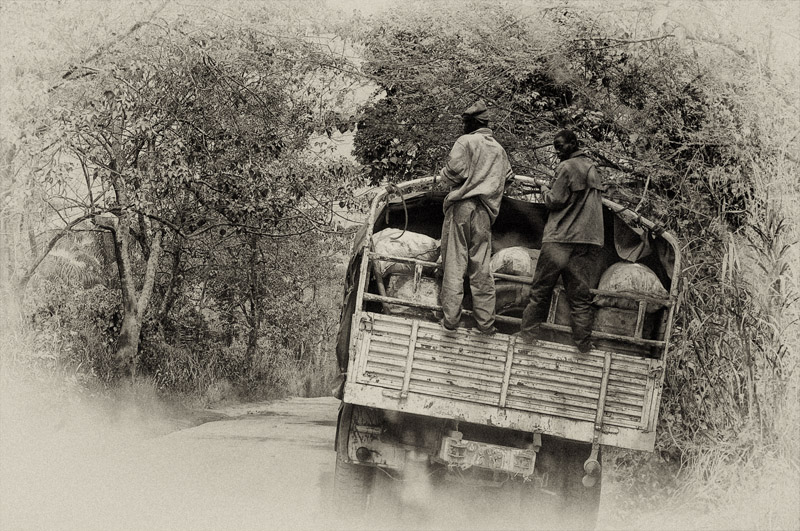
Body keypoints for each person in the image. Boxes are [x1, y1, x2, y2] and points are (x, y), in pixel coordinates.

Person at [519, 130, 605, 353]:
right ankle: (583, 344)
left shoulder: (566, 167)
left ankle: (527, 336)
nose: (557, 152)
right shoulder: (593, 169)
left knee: (540, 290)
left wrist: (543, 189)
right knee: (580, 296)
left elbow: (554, 200)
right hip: (586, 242)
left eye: (560, 146)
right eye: (555, 147)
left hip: (560, 240)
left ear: (574, 143)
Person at [437, 100, 513, 335]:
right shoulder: (499, 150)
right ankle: (486, 324)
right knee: (481, 269)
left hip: (462, 208)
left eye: (465, 122)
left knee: (454, 264)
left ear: (471, 123)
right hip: (485, 214)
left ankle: (451, 320)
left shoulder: (466, 142)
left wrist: (446, 177)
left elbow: (452, 173)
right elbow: (508, 178)